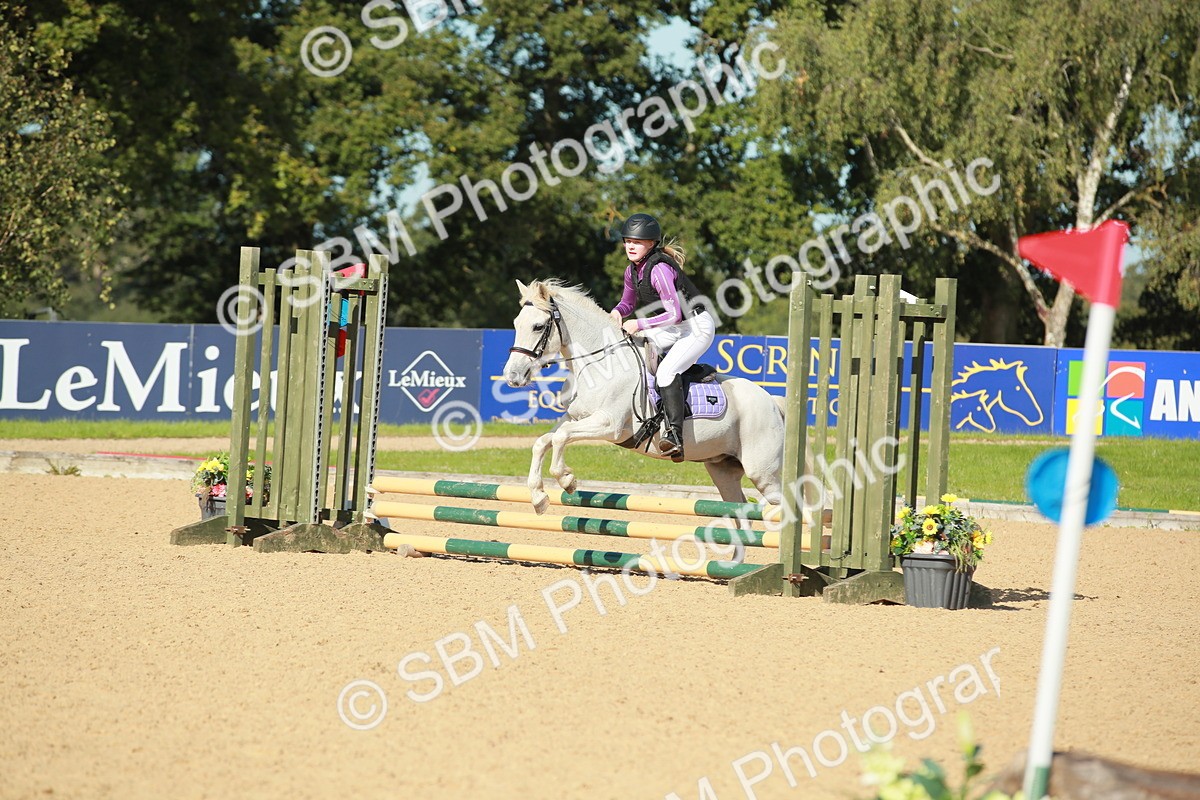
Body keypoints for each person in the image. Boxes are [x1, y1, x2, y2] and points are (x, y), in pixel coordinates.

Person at [608, 213, 716, 462]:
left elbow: (674, 314)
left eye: (637, 242)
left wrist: (638, 323)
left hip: (696, 327)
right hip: (673, 326)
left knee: (666, 371)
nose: (630, 246)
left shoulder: (659, 269)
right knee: (633, 348)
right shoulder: (632, 271)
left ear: (651, 244)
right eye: (627, 241)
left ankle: (675, 436)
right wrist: (616, 313)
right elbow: (627, 303)